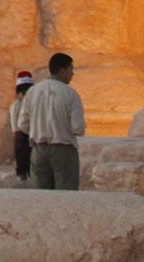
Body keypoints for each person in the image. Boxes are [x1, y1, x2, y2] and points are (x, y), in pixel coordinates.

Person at [16, 51, 86, 191]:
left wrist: (37, 131)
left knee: (41, 197)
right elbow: (78, 128)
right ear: (63, 70)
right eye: (71, 69)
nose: (72, 73)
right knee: (66, 195)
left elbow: (22, 124)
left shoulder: (33, 92)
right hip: (64, 149)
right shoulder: (71, 94)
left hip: (38, 150)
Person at [8, 70, 36, 182]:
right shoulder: (16, 106)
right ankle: (21, 176)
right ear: (18, 94)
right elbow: (16, 125)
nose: (26, 96)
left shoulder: (30, 104)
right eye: (23, 93)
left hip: (29, 135)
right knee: (22, 159)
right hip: (21, 137)